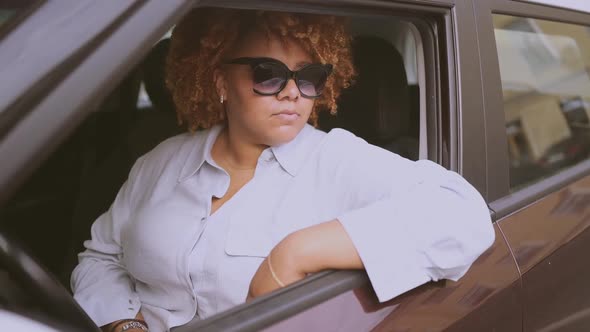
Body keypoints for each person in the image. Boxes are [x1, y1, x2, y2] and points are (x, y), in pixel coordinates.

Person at [71, 8, 495, 332]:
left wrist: (294, 253)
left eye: (309, 77)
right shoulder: (161, 161)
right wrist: (124, 324)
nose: (293, 92)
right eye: (268, 74)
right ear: (220, 82)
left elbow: (464, 215)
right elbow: (101, 257)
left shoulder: (336, 159)